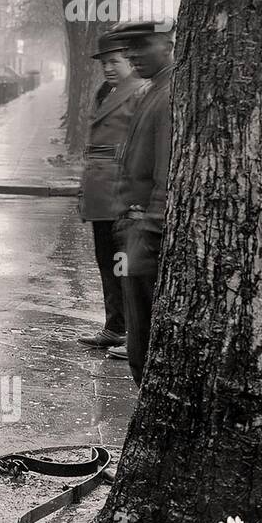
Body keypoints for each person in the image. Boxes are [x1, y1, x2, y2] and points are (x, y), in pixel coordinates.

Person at [106, 20, 176, 385]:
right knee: (138, 333)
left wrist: (151, 226)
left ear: (166, 42)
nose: (132, 53)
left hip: (147, 232)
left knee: (144, 340)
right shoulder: (153, 89)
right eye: (128, 47)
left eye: (141, 44)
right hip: (135, 226)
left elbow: (167, 167)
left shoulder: (169, 93)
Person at [76, 32, 146, 349]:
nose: (108, 68)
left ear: (130, 60)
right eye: (104, 63)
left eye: (114, 61)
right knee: (106, 262)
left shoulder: (140, 92)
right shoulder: (105, 91)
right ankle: (115, 326)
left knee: (126, 266)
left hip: (123, 193)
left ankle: (134, 335)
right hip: (100, 193)